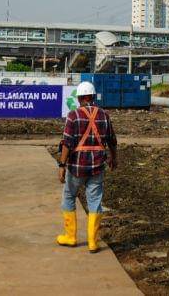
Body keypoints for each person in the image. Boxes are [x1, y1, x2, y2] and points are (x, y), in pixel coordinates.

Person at [56, 81, 118, 253]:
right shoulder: (104, 115)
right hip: (97, 166)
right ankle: (93, 242)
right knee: (95, 201)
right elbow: (112, 140)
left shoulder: (73, 115)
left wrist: (62, 165)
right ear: (93, 96)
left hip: (77, 166)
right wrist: (114, 158)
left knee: (69, 196)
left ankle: (70, 237)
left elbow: (67, 142)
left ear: (79, 98)